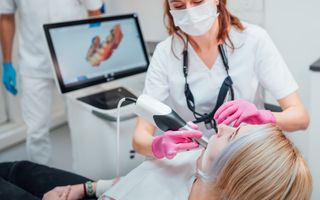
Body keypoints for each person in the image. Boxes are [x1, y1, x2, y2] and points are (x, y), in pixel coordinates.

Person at [132, 0, 310, 160]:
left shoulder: (254, 40)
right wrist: (158, 145)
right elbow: (140, 138)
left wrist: (262, 116)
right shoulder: (165, 53)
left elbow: (301, 118)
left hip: (247, 153)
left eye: (197, 1)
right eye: (179, 6)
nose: (190, 12)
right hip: (194, 158)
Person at [0, 125, 312, 199]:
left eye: (232, 136)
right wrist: (88, 188)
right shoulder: (200, 167)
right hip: (101, 194)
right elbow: (133, 184)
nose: (223, 126)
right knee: (21, 169)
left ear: (233, 176)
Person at [0, 0, 104, 164]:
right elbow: (5, 16)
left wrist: (93, 58)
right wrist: (6, 62)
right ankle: (42, 182)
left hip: (75, 62)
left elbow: (95, 13)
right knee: (36, 132)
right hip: (33, 64)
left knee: (84, 127)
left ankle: (86, 180)